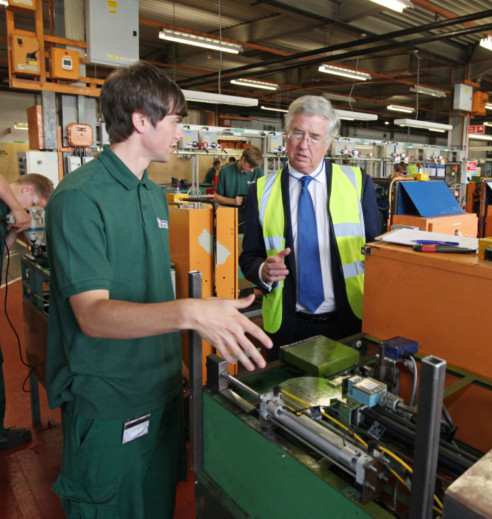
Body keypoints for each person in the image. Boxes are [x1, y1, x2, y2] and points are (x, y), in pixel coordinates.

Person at [44, 61, 272, 518]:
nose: (181, 132)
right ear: (141, 121)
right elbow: (93, 314)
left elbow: (146, 286)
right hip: (108, 401)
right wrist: (189, 313)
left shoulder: (151, 193)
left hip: (162, 392)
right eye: (176, 119)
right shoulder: (79, 199)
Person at [240, 95, 380, 360]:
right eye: (297, 133)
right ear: (285, 136)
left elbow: (378, 253)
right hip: (286, 325)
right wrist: (263, 270)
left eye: (315, 137)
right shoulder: (261, 191)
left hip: (348, 321)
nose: (304, 145)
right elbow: (249, 256)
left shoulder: (358, 184)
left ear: (328, 143)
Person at [0, 174, 54, 450]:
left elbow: (4, 250)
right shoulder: (5, 199)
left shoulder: (6, 214)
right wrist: (19, 209)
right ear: (26, 189)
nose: (34, 217)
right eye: (35, 208)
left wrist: (14, 230)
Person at [215, 145, 264, 231]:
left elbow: (262, 196)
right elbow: (217, 197)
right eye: (250, 167)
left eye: (254, 168)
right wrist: (233, 201)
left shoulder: (258, 172)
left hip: (250, 220)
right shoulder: (225, 171)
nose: (252, 171)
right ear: (243, 159)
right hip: (229, 220)